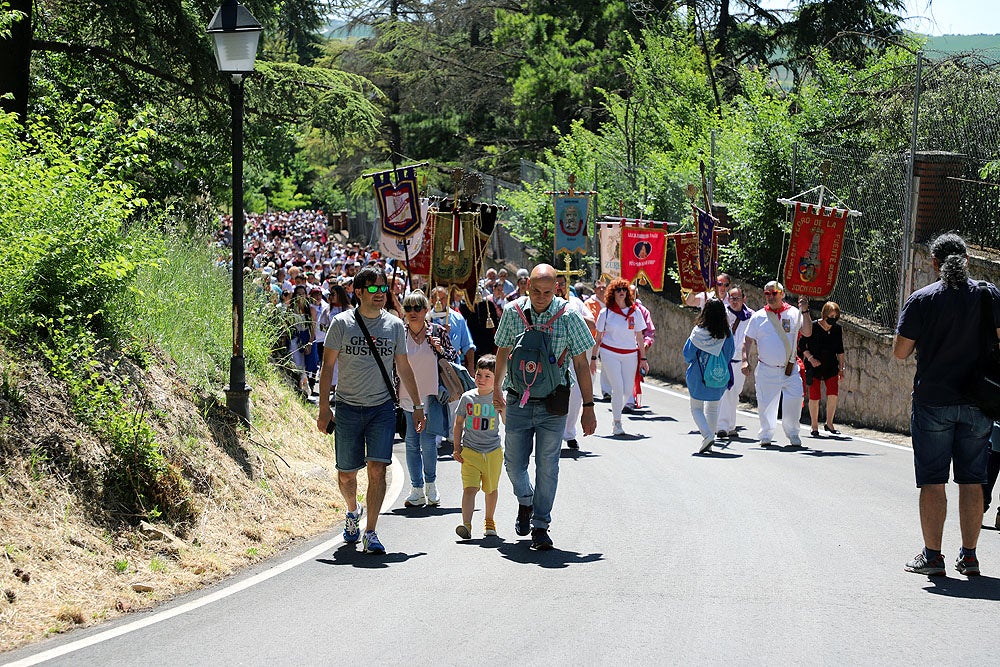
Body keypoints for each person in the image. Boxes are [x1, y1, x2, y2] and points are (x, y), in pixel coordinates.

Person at [894, 233, 1000, 577]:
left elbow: (900, 352)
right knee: (972, 480)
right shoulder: (988, 295)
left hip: (933, 401)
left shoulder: (922, 299)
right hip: (980, 401)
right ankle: (969, 557)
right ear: (967, 260)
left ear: (934, 263)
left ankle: (933, 557)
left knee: (933, 480)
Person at [316, 267, 424, 555]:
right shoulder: (341, 324)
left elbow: (404, 367)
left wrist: (417, 405)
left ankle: (371, 531)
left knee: (378, 469)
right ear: (359, 292)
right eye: (373, 289)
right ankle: (353, 512)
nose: (380, 294)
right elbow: (327, 367)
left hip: (381, 409)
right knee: (346, 474)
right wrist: (324, 407)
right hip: (348, 408)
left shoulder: (394, 326)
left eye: (383, 288)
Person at [493, 264, 597, 550]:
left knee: (548, 466)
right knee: (513, 463)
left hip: (554, 402)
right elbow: (501, 351)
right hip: (517, 399)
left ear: (557, 290)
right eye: (536, 291)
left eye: (547, 292)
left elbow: (581, 364)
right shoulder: (513, 311)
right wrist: (496, 391)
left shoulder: (570, 316)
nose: (541, 297)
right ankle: (525, 501)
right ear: (528, 288)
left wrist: (588, 406)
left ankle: (541, 525)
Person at [399, 290, 459, 508]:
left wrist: (439, 348)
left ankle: (431, 486)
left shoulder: (438, 331)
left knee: (428, 442)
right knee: (412, 443)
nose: (413, 312)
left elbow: (453, 357)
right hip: (406, 395)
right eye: (408, 308)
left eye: (417, 308)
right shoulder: (399, 332)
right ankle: (416, 489)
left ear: (426, 310)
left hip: (432, 395)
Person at [741, 281, 812, 447]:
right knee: (766, 405)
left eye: (774, 293)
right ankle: (766, 434)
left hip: (790, 368)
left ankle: (793, 433)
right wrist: (745, 360)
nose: (770, 297)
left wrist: (806, 310)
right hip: (767, 368)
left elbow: (807, 332)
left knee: (794, 403)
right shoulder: (758, 317)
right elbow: (747, 340)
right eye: (767, 294)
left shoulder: (795, 313)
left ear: (782, 294)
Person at [453, 355, 502, 539]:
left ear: (496, 379)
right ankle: (466, 524)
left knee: (490, 489)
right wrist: (457, 447)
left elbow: (506, 421)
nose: (481, 379)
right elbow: (458, 423)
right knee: (469, 489)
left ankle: (489, 521)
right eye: (479, 374)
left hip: (492, 452)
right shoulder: (467, 398)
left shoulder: (498, 397)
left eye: (487, 376)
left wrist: (503, 407)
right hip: (470, 452)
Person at [593, 278, 649, 436]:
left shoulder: (635, 312)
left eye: (624, 290)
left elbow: (639, 337)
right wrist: (593, 358)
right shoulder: (606, 312)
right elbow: (598, 337)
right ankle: (617, 422)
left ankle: (616, 412)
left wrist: (643, 359)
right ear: (612, 293)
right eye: (618, 290)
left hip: (630, 354)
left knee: (626, 390)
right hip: (609, 353)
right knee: (617, 387)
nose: (621, 292)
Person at [683, 299, 735, 453]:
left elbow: (688, 354)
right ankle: (710, 439)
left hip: (698, 375)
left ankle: (707, 436)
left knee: (696, 408)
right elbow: (730, 353)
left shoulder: (698, 332)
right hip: (718, 375)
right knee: (712, 409)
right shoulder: (727, 333)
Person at [556, 274, 597, 449]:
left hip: (574, 356)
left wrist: (574, 317)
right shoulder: (546, 302)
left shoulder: (576, 303)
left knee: (574, 395)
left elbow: (592, 323)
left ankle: (569, 432)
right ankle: (552, 433)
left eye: (562, 284)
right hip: (553, 356)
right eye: (556, 284)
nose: (559, 287)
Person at [799, 301, 846, 437]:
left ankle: (829, 423)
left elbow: (840, 350)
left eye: (835, 316)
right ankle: (814, 426)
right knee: (814, 395)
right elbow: (802, 346)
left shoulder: (837, 329)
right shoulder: (812, 327)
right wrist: (811, 359)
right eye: (830, 315)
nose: (832, 318)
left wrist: (841, 368)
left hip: (831, 365)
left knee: (833, 394)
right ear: (824, 314)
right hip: (814, 366)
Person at [717, 285, 752, 439]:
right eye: (731, 298)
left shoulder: (752, 316)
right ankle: (722, 427)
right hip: (724, 360)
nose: (734, 301)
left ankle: (730, 426)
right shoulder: (721, 312)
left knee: (735, 393)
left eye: (737, 298)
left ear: (744, 299)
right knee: (725, 392)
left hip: (739, 361)